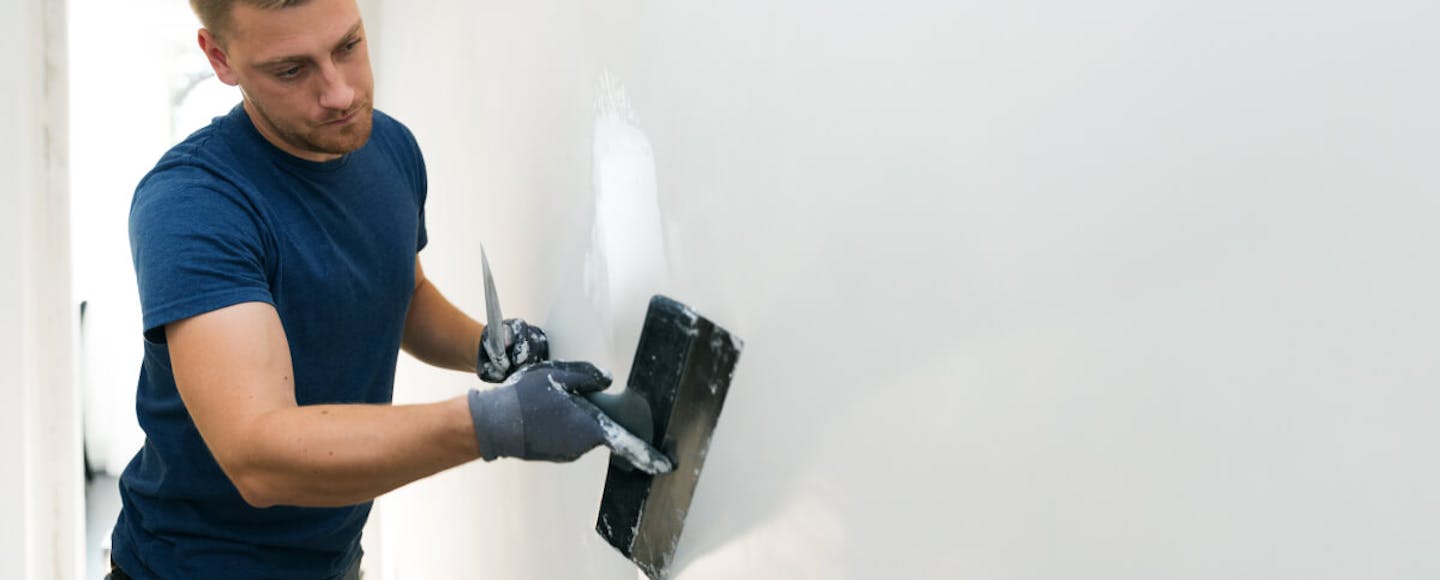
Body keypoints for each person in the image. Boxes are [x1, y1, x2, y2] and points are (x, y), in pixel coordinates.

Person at [108, 1, 663, 578]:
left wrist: (484, 346)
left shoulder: (388, 148)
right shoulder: (193, 205)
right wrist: (494, 423)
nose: (340, 93)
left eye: (348, 46)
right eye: (292, 70)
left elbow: (403, 293)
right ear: (220, 58)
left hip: (335, 561)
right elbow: (259, 458)